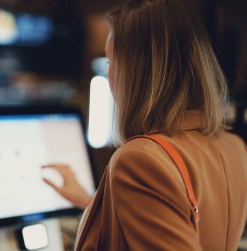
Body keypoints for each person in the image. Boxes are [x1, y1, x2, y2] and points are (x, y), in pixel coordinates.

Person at [42, 0, 247, 250]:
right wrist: (89, 201)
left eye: (110, 63)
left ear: (135, 73)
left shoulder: (139, 158)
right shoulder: (234, 146)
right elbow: (165, 217)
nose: (109, 77)